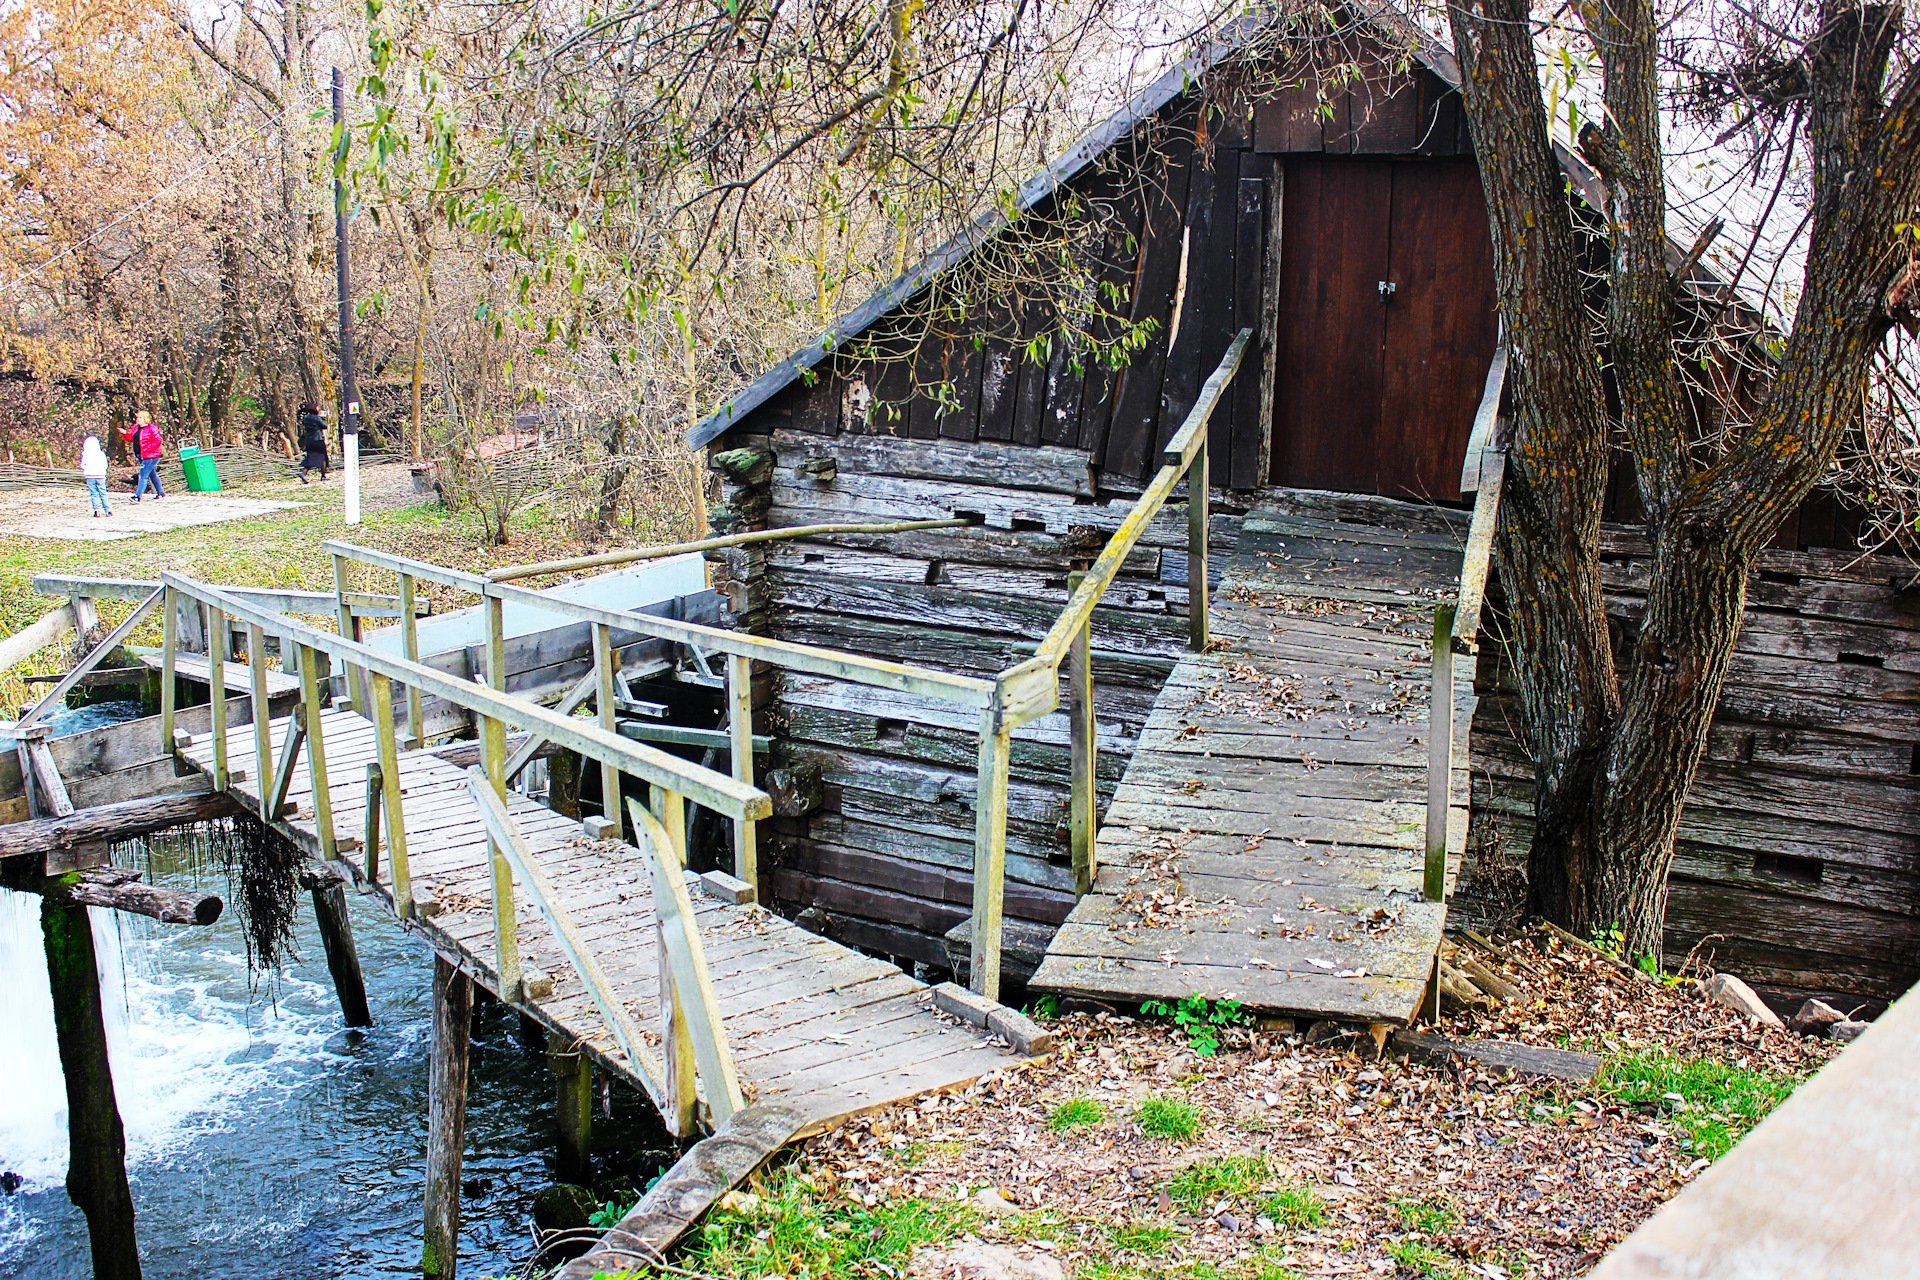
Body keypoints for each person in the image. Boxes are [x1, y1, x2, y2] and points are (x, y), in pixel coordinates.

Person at [121, 409, 166, 502]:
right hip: (140, 455)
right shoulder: (135, 428)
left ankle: (138, 496)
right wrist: (125, 434)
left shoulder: (152, 428)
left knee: (143, 474)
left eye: (140, 417)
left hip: (151, 455)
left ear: (145, 419)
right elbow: (131, 439)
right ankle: (161, 493)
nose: (138, 419)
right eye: (137, 417)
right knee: (152, 474)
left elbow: (158, 441)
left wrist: (147, 448)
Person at [297, 402, 330, 482]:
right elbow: (324, 426)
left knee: (310, 457)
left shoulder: (306, 418)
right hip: (318, 439)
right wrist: (322, 417)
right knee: (323, 456)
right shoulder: (317, 418)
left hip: (309, 440)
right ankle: (323, 475)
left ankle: (304, 473)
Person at [80, 434, 111, 517]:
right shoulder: (101, 454)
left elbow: (83, 465)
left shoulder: (86, 455)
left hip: (90, 475)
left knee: (93, 493)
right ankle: (108, 510)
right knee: (103, 492)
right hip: (100, 475)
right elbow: (105, 465)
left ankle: (96, 510)